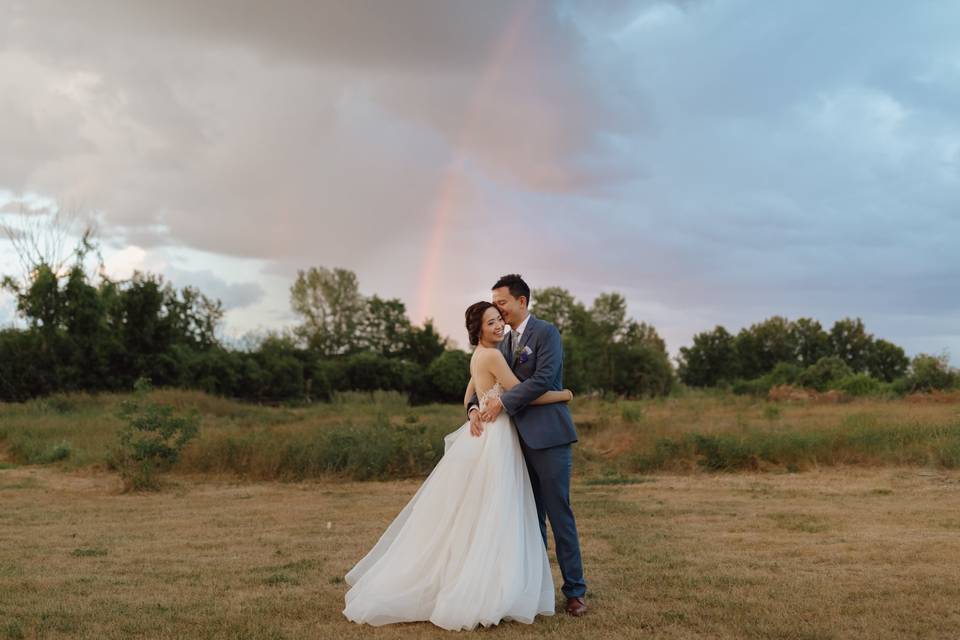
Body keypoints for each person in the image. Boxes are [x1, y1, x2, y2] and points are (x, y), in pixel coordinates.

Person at [342, 301, 573, 631]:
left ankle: (494, 579)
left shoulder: (479, 354)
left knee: (480, 512)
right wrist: (564, 394)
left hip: (486, 433)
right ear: (478, 328)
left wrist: (473, 410)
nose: (498, 325)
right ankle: (491, 586)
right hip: (497, 440)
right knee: (498, 511)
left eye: (499, 319)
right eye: (491, 321)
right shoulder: (493, 355)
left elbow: (472, 392)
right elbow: (522, 393)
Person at [467, 274, 587, 617]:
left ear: (522, 301)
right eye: (495, 304)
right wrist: (473, 408)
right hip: (513, 443)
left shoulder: (546, 332)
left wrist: (503, 403)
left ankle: (575, 592)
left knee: (559, 515)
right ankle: (535, 591)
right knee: (527, 520)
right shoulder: (498, 343)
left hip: (549, 438)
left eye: (502, 302)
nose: (498, 310)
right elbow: (480, 384)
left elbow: (542, 379)